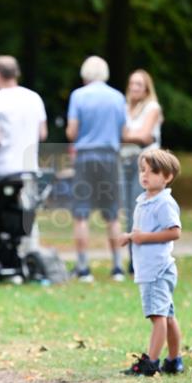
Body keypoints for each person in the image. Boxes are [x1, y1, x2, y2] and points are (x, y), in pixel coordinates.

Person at [119, 149, 183, 376]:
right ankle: (174, 361)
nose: (145, 175)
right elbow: (144, 231)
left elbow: (174, 232)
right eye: (142, 170)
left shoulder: (163, 203)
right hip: (151, 268)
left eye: (153, 171)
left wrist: (143, 238)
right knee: (166, 315)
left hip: (157, 269)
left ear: (167, 177)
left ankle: (151, 363)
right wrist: (131, 237)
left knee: (157, 316)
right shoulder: (145, 201)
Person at [66, 55, 127, 282]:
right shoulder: (118, 97)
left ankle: (83, 269)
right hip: (110, 157)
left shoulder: (78, 96)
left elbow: (72, 132)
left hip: (84, 157)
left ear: (85, 74)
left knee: (81, 214)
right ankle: (118, 267)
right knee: (112, 214)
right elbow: (123, 130)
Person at [120, 69, 163, 274]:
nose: (134, 87)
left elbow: (144, 136)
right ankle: (133, 261)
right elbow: (135, 136)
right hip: (125, 162)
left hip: (146, 165)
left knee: (144, 213)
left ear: (146, 88)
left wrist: (125, 135)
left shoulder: (152, 108)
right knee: (129, 213)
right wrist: (133, 135)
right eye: (132, 83)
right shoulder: (124, 108)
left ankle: (146, 260)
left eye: (139, 84)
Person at [0, 55, 48, 179]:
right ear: (16, 73)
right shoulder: (34, 98)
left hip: (2, 170)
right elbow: (43, 134)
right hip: (30, 168)